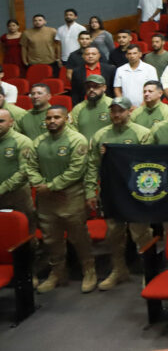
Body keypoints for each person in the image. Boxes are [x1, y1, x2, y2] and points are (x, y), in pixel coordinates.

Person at [84, 96, 153, 290]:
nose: (116, 114)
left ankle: (149, 271)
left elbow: (149, 165)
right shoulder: (100, 135)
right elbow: (91, 165)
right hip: (111, 191)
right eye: (113, 111)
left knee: (141, 233)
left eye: (120, 110)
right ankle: (119, 270)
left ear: (129, 111)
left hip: (137, 192)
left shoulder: (143, 134)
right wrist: (90, 190)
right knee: (114, 233)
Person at [25, 105, 96, 293]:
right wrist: (41, 184)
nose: (52, 121)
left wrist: (51, 186)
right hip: (46, 200)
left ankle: (89, 270)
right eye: (49, 118)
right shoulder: (39, 141)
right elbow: (30, 166)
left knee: (79, 236)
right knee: (50, 238)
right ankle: (57, 272)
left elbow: (76, 170)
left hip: (71, 196)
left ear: (66, 119)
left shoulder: (76, 140)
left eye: (57, 117)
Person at [0, 108, 34, 224]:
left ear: (11, 122)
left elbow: (25, 171)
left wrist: (3, 188)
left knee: (23, 232)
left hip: (17, 196)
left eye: (1, 121)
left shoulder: (22, 141)